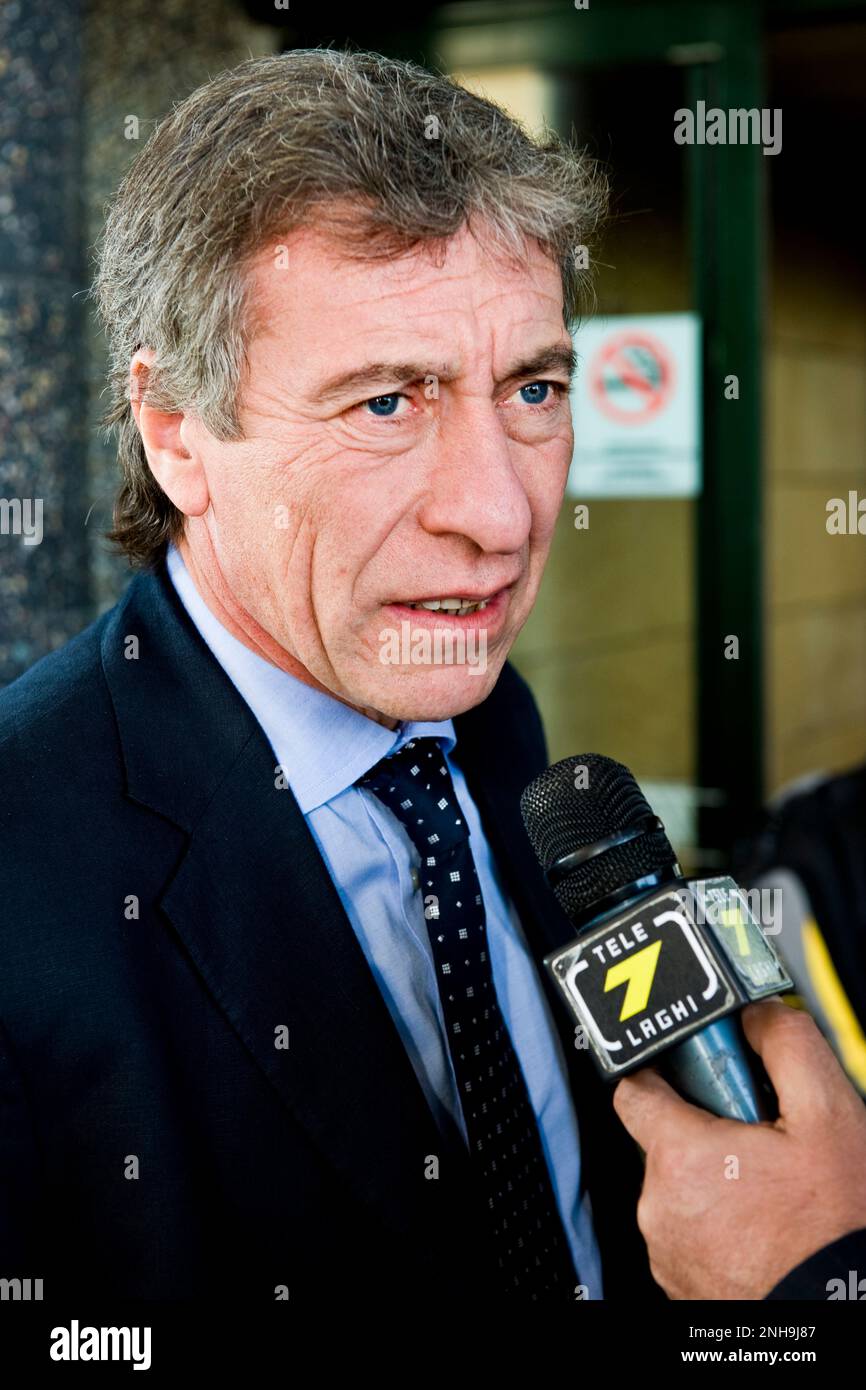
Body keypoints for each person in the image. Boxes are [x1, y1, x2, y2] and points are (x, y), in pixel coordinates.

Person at [0, 47, 864, 1306]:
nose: (502, 514)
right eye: (388, 403)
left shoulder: (494, 731)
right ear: (177, 430)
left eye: (533, 387)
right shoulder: (29, 873)